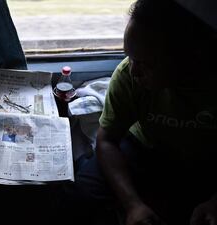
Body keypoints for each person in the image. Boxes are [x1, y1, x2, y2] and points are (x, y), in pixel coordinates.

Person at [68, 0, 217, 225]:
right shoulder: (129, 75)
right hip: (144, 147)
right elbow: (107, 138)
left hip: (204, 162)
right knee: (79, 195)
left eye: (147, 63)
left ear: (187, 58)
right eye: (130, 57)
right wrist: (132, 204)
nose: (133, 70)